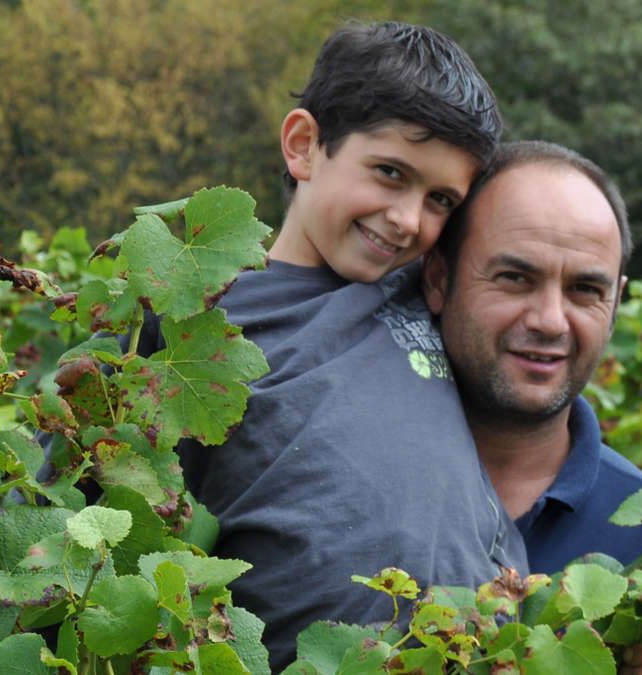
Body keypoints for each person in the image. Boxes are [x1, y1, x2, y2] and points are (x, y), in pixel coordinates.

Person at [152, 21, 526, 669]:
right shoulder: (195, 316)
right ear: (303, 145)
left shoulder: (430, 291)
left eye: (440, 199)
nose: (409, 219)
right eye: (389, 172)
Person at [423, 140, 642, 674]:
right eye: (515, 278)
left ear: (615, 304)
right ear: (439, 278)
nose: (551, 320)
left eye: (584, 290)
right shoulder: (358, 489)